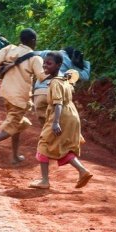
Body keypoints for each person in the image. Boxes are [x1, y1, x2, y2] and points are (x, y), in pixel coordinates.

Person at [29, 53, 93, 189]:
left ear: (58, 65)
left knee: (43, 144)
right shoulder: (64, 80)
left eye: (49, 63)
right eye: (44, 63)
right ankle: (83, 171)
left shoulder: (55, 83)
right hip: (71, 114)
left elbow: (58, 104)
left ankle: (45, 181)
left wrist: (55, 122)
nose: (45, 65)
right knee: (61, 147)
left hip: (61, 116)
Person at [0, 28, 46, 164]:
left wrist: (1, 72)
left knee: (16, 124)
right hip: (19, 96)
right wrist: (57, 75)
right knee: (14, 123)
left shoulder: (11, 49)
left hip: (6, 92)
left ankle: (15, 156)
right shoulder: (35, 58)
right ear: (33, 41)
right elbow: (42, 77)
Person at [32, 47, 90, 125]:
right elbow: (85, 77)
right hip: (55, 94)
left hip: (39, 94)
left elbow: (32, 53)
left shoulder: (48, 53)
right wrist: (85, 63)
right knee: (59, 126)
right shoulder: (71, 64)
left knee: (46, 126)